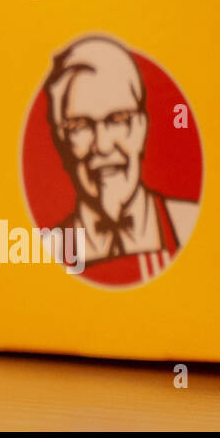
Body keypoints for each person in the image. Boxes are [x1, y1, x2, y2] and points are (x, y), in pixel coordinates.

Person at [44, 36, 197, 280]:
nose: (102, 146)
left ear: (140, 128)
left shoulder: (187, 224)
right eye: (80, 125)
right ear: (62, 140)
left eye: (117, 120)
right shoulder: (46, 251)